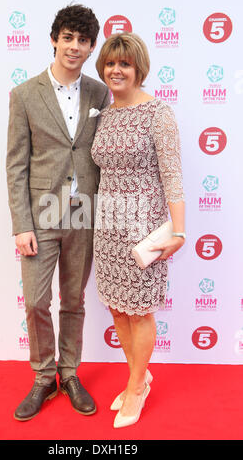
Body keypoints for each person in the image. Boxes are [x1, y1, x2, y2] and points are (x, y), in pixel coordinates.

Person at [6, 4, 110, 421]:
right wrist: (20, 224)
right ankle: (42, 376)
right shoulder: (25, 94)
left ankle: (69, 374)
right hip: (41, 210)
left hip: (84, 210)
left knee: (73, 300)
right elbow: (16, 163)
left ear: (90, 47)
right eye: (68, 37)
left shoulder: (100, 93)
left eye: (83, 40)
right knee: (35, 301)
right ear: (54, 39)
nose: (75, 46)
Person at [91, 32, 185, 428]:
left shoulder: (158, 113)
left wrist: (178, 232)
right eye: (111, 63)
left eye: (124, 64)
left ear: (138, 69)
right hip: (106, 225)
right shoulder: (105, 115)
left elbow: (173, 175)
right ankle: (140, 375)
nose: (116, 70)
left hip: (143, 228)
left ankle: (135, 388)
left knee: (141, 311)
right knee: (117, 306)